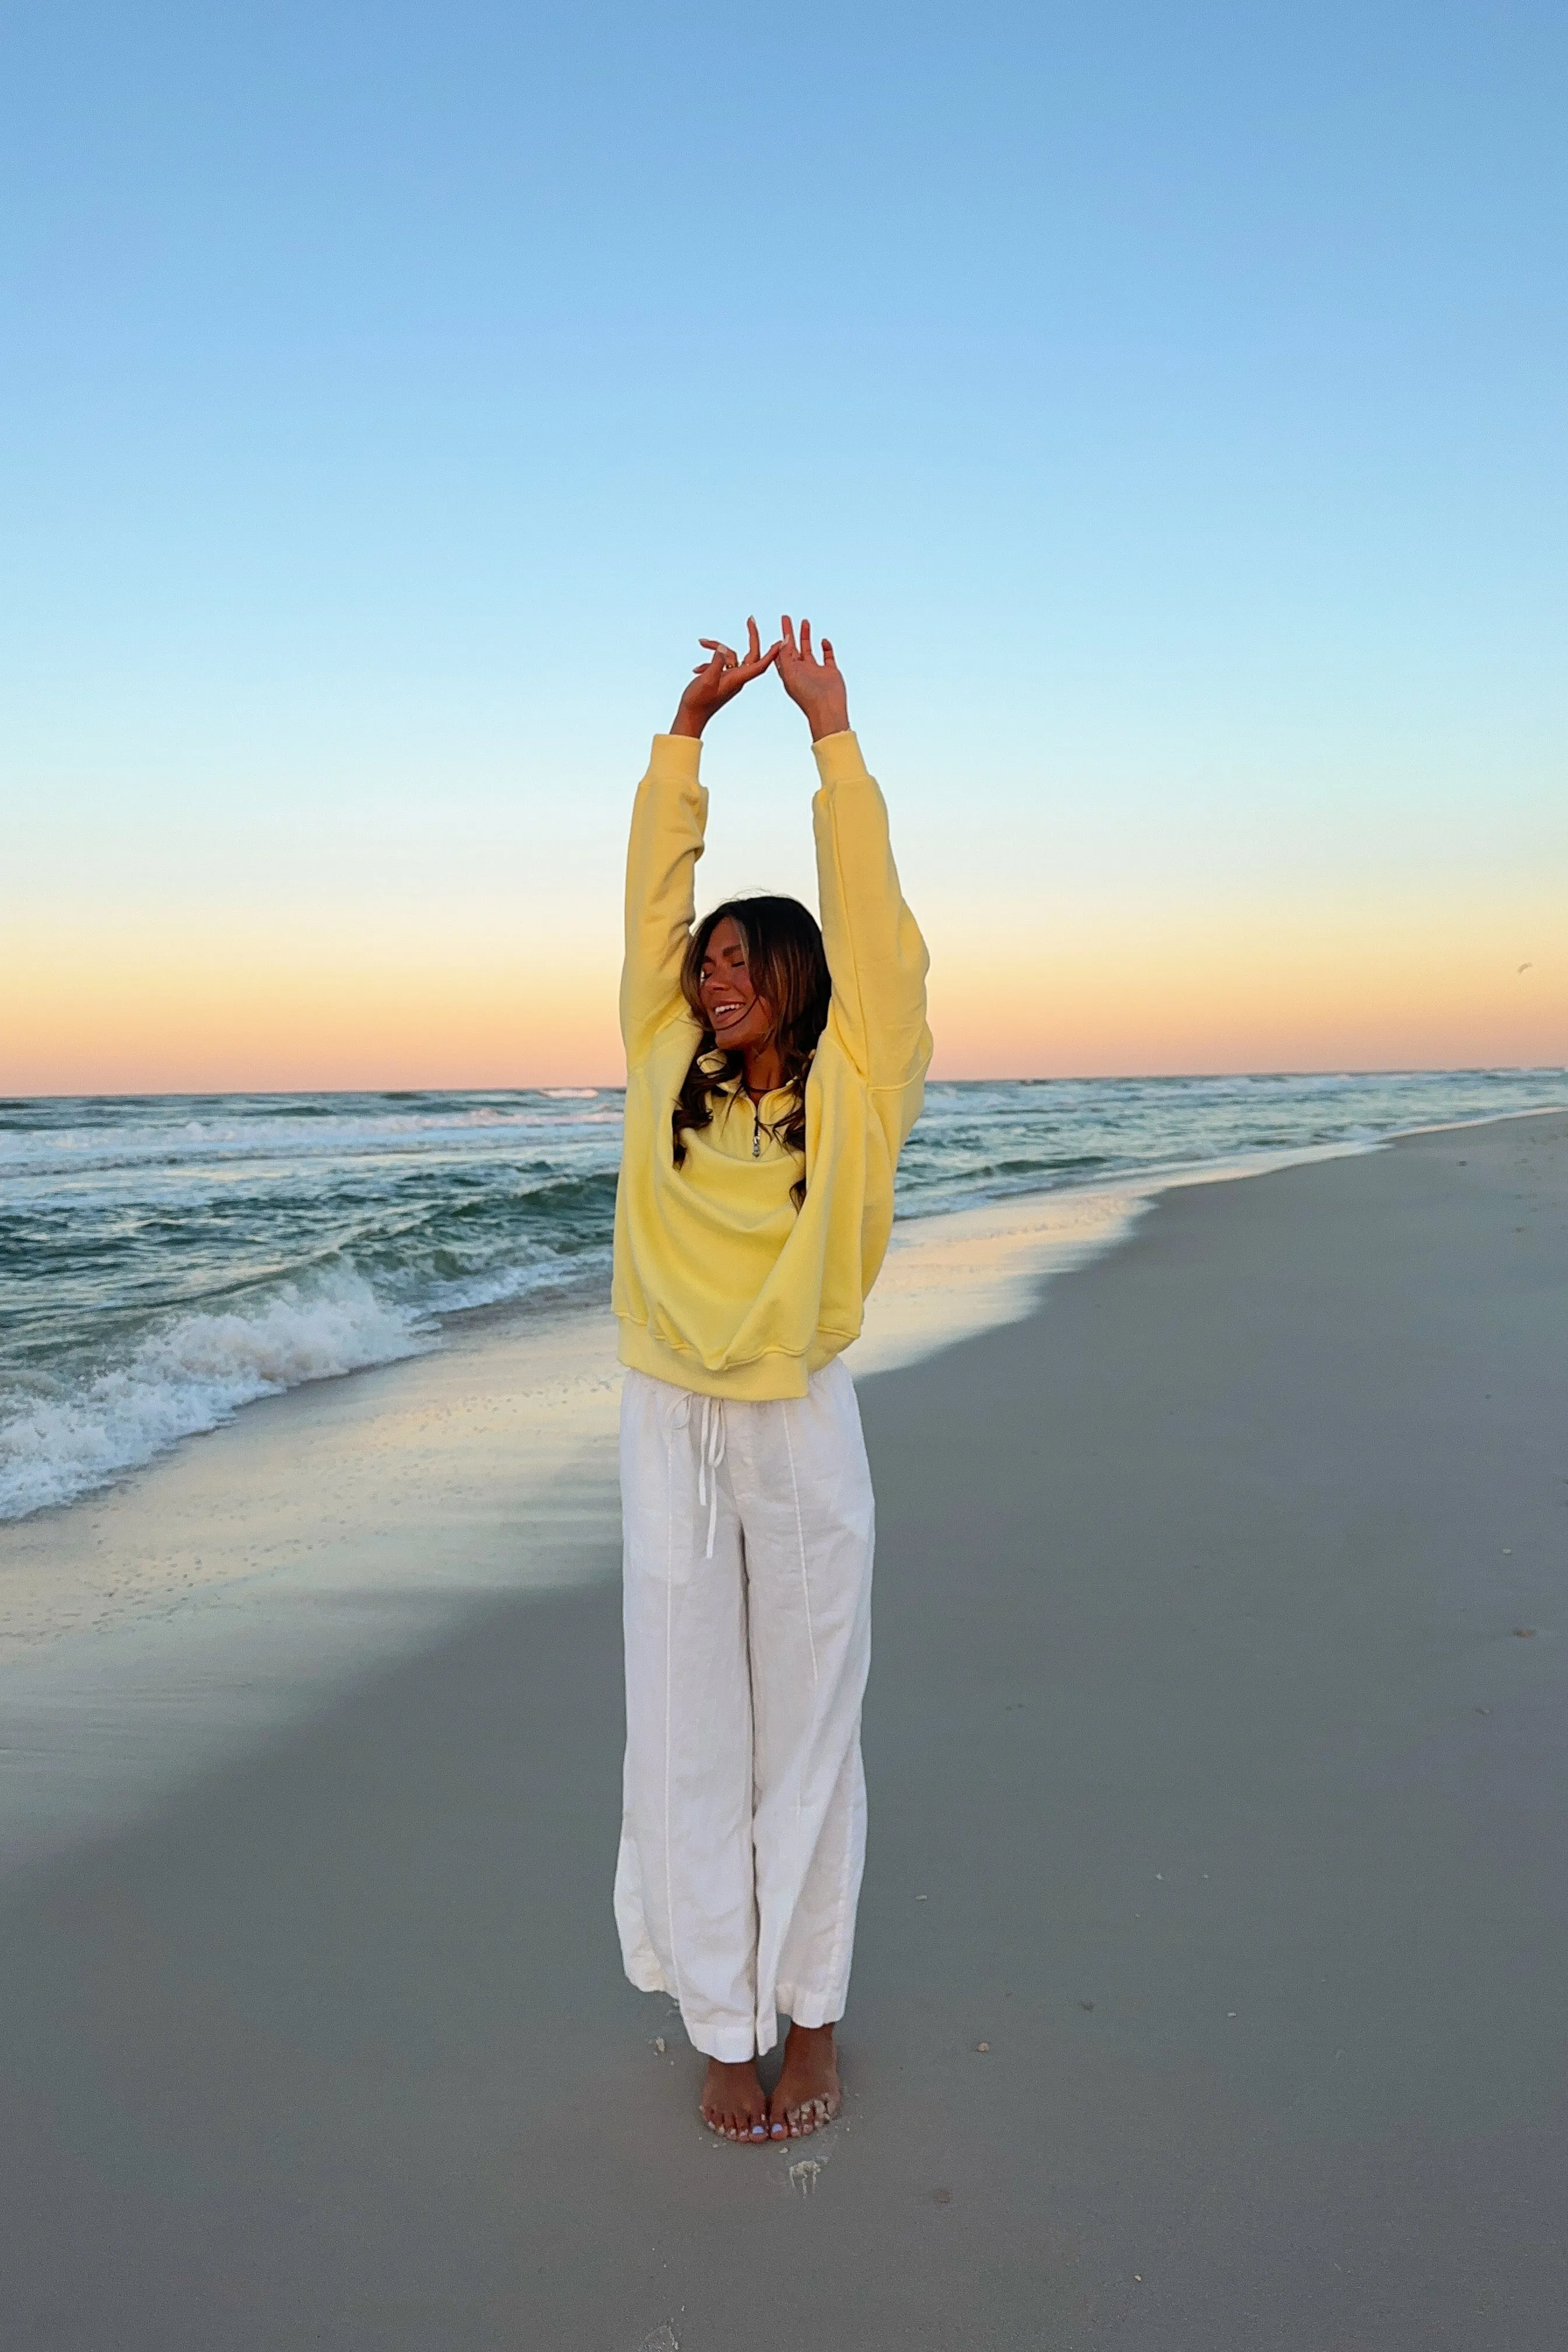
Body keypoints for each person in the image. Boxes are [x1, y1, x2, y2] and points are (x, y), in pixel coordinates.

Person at [611, 615, 932, 2143]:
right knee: (686, 1722)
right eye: (707, 959)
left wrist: (827, 737)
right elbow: (648, 906)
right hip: (668, 1420)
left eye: (744, 958)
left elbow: (876, 925)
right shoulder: (661, 1053)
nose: (713, 972)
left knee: (809, 1721)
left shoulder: (861, 1075)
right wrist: (686, 740)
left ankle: (810, 2018)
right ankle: (721, 2026)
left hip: (801, 1413)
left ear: (795, 976)